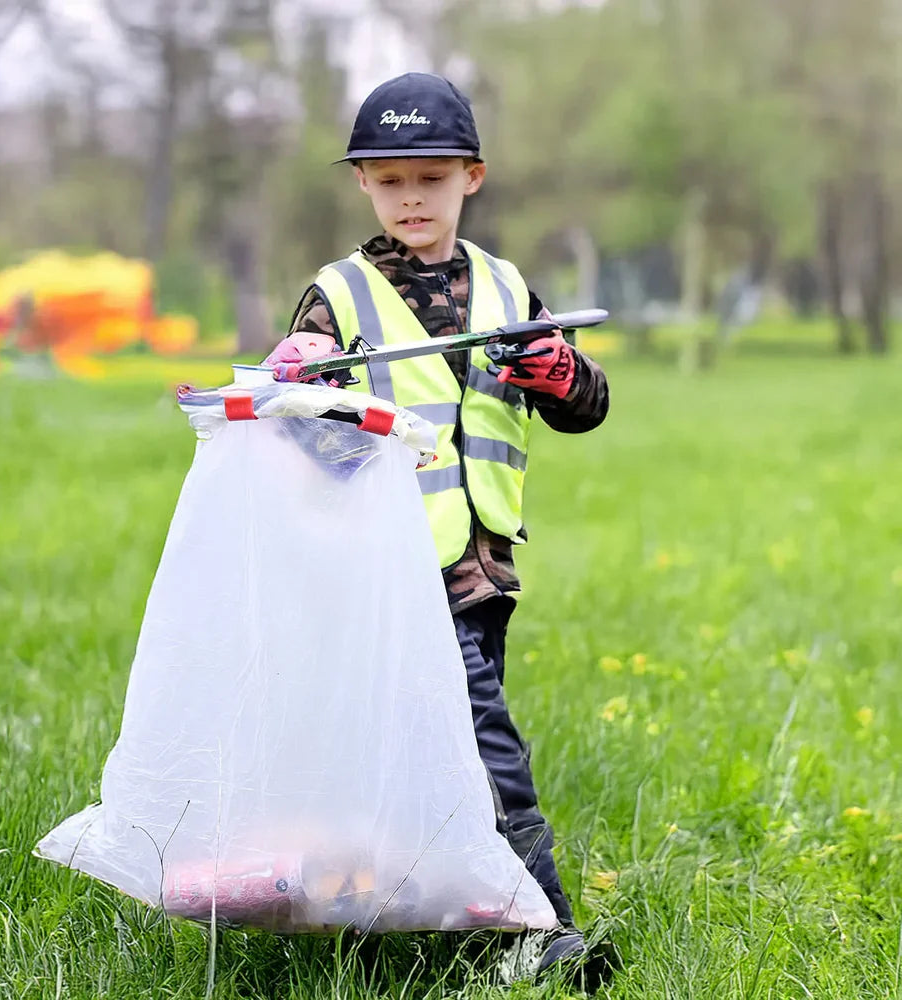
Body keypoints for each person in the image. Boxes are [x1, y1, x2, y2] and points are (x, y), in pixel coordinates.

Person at [269, 72, 611, 982]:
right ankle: (546, 935)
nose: (411, 197)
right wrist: (297, 386)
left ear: (473, 176)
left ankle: (427, 920)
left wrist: (556, 370)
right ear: (363, 186)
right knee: (488, 748)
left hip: (484, 575)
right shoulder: (337, 297)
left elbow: (587, 407)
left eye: (432, 176)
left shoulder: (505, 288)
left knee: (442, 755)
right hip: (386, 576)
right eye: (390, 179)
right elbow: (293, 428)